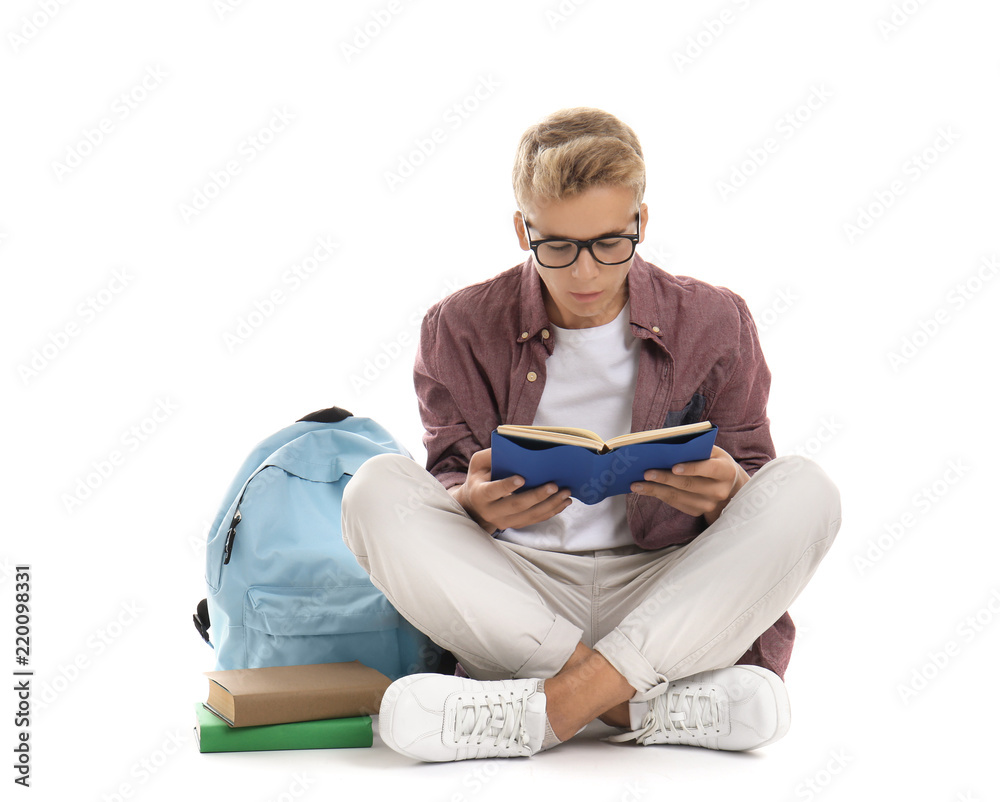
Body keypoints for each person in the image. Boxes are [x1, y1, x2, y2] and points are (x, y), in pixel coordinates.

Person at [341, 107, 841, 763]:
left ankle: (542, 712)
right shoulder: (457, 326)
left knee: (809, 490)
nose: (585, 273)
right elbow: (447, 473)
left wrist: (731, 491)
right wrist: (468, 500)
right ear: (523, 229)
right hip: (518, 597)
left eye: (610, 243)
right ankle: (644, 706)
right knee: (373, 490)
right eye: (559, 247)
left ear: (641, 223)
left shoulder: (717, 320)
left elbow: (759, 479)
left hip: (670, 594)